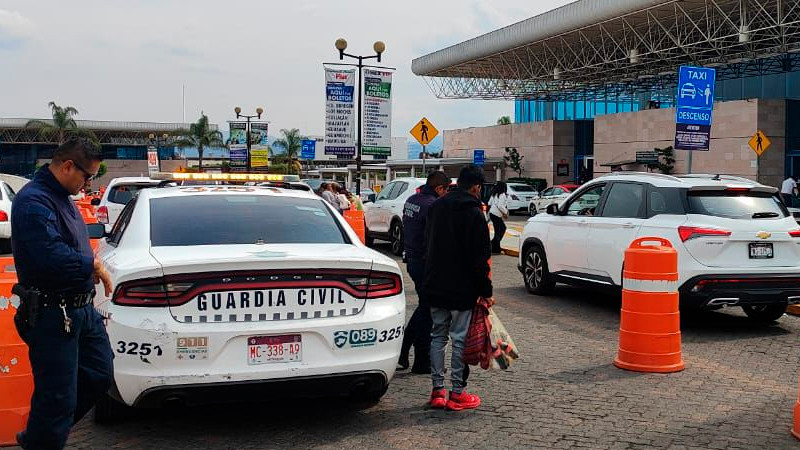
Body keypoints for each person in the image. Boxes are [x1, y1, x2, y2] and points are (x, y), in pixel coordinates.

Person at [11, 138, 114, 449]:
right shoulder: (33, 202)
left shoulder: (62, 196)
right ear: (68, 166)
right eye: (87, 176)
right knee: (57, 398)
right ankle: (44, 437)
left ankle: (41, 435)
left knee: (98, 374)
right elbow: (50, 255)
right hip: (54, 312)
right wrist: (92, 265)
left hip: (81, 309)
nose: (88, 184)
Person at [423, 165, 493, 411]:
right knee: (459, 339)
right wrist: (486, 291)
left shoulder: (436, 207)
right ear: (476, 187)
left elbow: (426, 245)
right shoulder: (475, 214)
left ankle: (437, 391)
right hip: (462, 288)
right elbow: (480, 258)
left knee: (438, 336)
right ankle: (457, 393)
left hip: (435, 283)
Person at [398, 171, 450, 373]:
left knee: (424, 307)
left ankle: (404, 350)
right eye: (445, 190)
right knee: (427, 311)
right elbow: (435, 239)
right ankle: (421, 360)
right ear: (439, 188)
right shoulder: (432, 206)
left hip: (412, 259)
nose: (445, 194)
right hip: (425, 263)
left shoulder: (412, 200)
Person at [487, 182, 509, 254]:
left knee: (500, 230)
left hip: (492, 213)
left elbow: (489, 203)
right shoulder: (502, 195)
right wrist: (506, 212)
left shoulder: (494, 194)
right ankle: (495, 248)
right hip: (496, 214)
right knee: (500, 230)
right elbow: (500, 206)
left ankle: (494, 245)